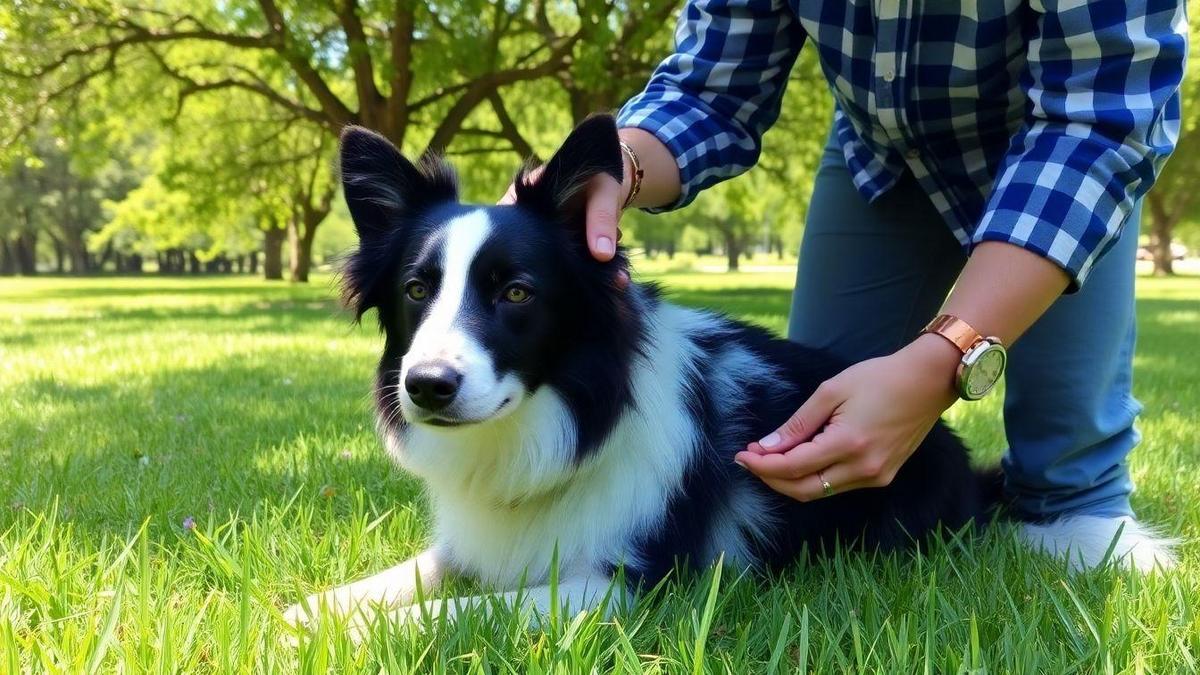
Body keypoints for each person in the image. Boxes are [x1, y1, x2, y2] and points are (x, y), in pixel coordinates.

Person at [504, 1, 1186, 571]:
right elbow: (711, 85)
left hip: (1065, 154)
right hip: (881, 156)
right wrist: (618, 162)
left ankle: (1066, 494)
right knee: (808, 452)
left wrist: (943, 360)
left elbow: (1100, 113)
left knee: (1069, 491)